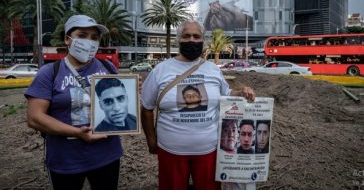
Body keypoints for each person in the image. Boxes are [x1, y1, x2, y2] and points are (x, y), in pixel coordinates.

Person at [140, 19, 255, 190]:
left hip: (208, 151)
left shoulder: (213, 69)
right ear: (178, 40)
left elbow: (226, 94)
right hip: (171, 152)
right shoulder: (160, 70)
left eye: (196, 36)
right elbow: (147, 108)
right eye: (186, 36)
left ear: (203, 40)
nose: (192, 40)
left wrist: (242, 92)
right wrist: (151, 140)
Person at [25, 15, 122, 190]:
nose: (89, 42)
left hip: (107, 156)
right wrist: (77, 133)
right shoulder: (49, 72)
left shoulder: (108, 68)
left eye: (94, 38)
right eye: (82, 35)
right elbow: (34, 117)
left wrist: (130, 91)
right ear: (67, 39)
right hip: (65, 161)